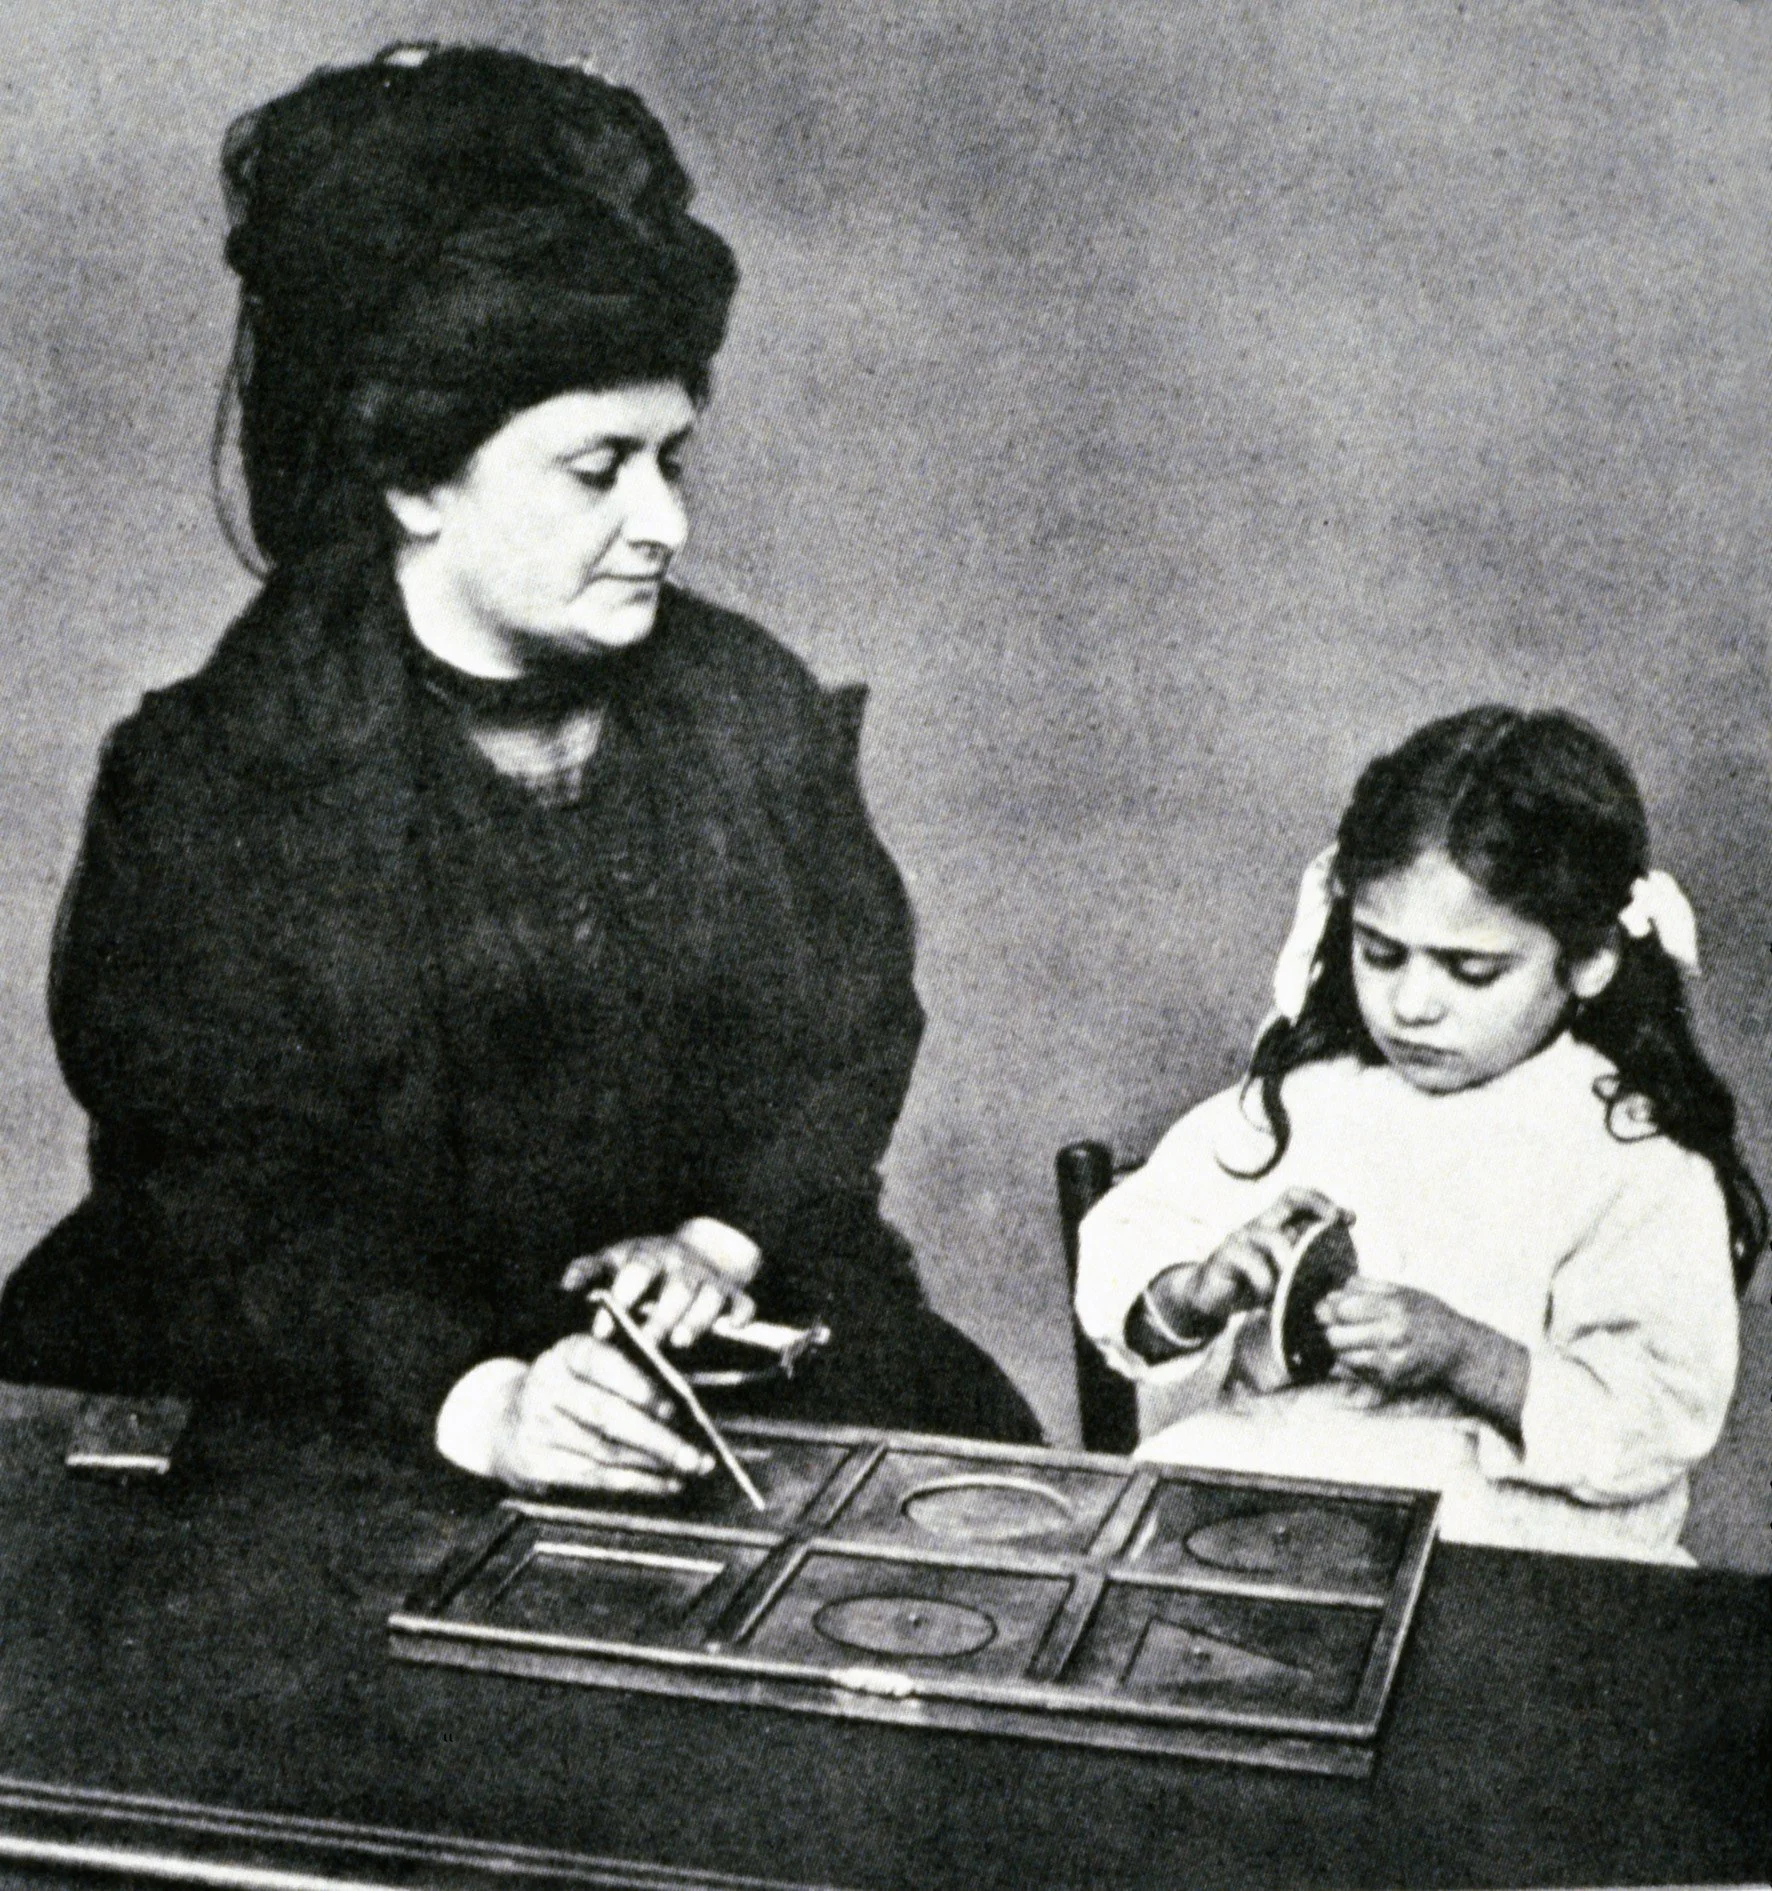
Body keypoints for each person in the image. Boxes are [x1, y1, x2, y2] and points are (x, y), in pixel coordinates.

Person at [0, 44, 1039, 1491]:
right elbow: (216, 1203)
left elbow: (849, 1025)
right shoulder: (216, 779)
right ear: (415, 479)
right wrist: (478, 1396)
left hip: (705, 1334)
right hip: (335, 1372)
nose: (664, 520)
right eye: (598, 467)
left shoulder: (743, 702)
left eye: (675, 457)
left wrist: (719, 1238)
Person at [1076, 706, 1761, 1561]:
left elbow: (1653, 1416)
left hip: (1504, 1543)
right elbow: (1124, 1253)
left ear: (1587, 958)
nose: (1411, 1004)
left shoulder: (1632, 1155)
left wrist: (1467, 1355)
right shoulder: (1310, 1098)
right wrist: (1195, 1288)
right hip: (1277, 1496)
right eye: (1380, 952)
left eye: (1471, 969)